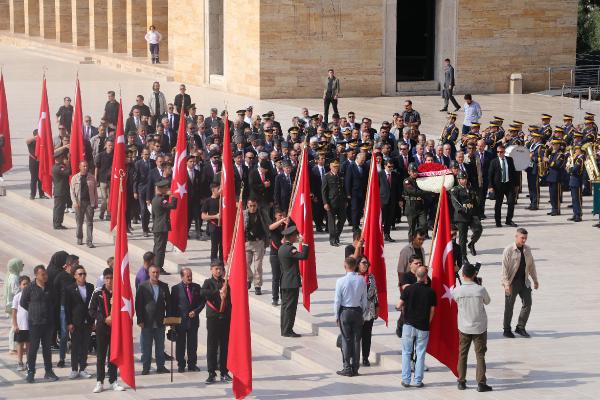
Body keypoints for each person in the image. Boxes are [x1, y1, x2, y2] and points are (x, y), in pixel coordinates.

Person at [452, 263, 493, 392]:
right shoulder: (480, 289)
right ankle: (481, 383)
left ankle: (461, 381)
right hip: (479, 327)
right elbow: (487, 301)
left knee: (462, 354)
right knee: (480, 355)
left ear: (463, 275)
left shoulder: (457, 290)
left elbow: (455, 301)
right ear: (474, 274)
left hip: (464, 327)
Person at [396, 266, 436, 388]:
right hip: (423, 326)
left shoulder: (408, 290)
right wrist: (428, 322)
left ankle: (406, 380)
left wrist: (400, 308)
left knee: (406, 353)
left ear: (416, 276)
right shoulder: (430, 292)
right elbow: (432, 310)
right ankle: (418, 381)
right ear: (425, 277)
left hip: (408, 325)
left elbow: (399, 305)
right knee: (420, 353)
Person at [20, 265, 59, 383]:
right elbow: (23, 303)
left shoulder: (50, 287)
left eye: (46, 274)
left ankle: (49, 371)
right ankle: (31, 371)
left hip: (48, 323)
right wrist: (34, 311)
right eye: (43, 274)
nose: (45, 276)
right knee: (33, 349)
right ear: (36, 275)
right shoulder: (30, 288)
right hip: (35, 323)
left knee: (47, 348)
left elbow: (55, 301)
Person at [89, 268, 126, 393]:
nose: (109, 280)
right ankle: (100, 381)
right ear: (104, 279)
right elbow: (91, 310)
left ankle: (113, 380)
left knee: (113, 355)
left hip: (115, 328)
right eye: (107, 278)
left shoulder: (119, 292)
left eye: (111, 277)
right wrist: (104, 319)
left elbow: (125, 309)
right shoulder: (98, 292)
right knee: (101, 355)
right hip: (102, 327)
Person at [502, 228, 539, 338]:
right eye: (522, 238)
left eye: (525, 238)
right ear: (516, 236)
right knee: (509, 306)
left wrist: (535, 280)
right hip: (512, 282)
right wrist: (506, 284)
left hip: (524, 281)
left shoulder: (527, 249)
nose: (524, 240)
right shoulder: (508, 250)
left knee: (528, 303)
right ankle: (507, 329)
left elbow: (531, 265)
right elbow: (504, 269)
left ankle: (520, 327)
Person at [334, 257, 367, 377]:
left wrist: (336, 315)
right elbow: (364, 299)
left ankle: (347, 367)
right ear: (356, 266)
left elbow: (337, 300)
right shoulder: (361, 280)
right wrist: (363, 313)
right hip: (357, 311)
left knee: (346, 339)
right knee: (357, 340)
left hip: (345, 311)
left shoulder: (340, 281)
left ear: (345, 266)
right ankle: (355, 368)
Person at [135, 265, 171, 375]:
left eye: (157, 272)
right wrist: (139, 319)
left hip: (160, 321)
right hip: (146, 321)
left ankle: (160, 366)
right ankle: (146, 367)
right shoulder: (143, 286)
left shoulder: (164, 286)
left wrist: (168, 318)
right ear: (149, 273)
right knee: (146, 346)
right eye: (153, 272)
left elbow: (169, 303)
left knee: (160, 346)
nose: (155, 274)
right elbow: (138, 304)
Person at [201, 260, 232, 384]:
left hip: (225, 317)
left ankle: (224, 371)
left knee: (224, 346)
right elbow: (203, 293)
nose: (218, 271)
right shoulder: (208, 282)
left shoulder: (226, 283)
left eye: (220, 269)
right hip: (213, 317)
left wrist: (225, 294)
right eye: (216, 269)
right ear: (211, 270)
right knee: (212, 346)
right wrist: (218, 292)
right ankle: (211, 372)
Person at [63, 265, 94, 379]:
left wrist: (93, 320)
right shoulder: (69, 288)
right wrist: (69, 323)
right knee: (75, 346)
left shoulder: (90, 287)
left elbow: (92, 305)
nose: (82, 276)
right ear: (75, 276)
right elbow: (67, 307)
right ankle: (74, 369)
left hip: (88, 321)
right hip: (75, 321)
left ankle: (83, 368)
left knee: (85, 345)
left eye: (84, 274)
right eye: (80, 274)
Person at [170, 268, 204, 373]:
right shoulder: (175, 289)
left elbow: (202, 303)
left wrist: (196, 311)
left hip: (193, 321)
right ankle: (181, 364)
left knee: (192, 344)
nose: (190, 278)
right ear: (182, 276)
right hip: (180, 321)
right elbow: (172, 306)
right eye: (187, 276)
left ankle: (192, 364)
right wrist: (172, 323)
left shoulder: (197, 287)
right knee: (180, 344)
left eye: (190, 275)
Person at [278, 225, 309, 337]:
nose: (296, 237)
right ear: (290, 237)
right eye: (295, 236)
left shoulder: (281, 248)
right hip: (291, 282)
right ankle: (288, 330)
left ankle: (284, 329)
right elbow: (304, 256)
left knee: (285, 307)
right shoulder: (290, 249)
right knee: (290, 308)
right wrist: (304, 243)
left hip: (285, 281)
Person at [53, 254, 78, 367]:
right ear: (69, 265)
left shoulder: (77, 276)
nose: (77, 265)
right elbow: (55, 291)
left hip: (75, 308)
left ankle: (77, 357)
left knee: (76, 334)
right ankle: (62, 358)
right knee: (64, 334)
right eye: (75, 264)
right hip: (63, 308)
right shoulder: (60, 276)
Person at [450, 171, 482, 260]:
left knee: (478, 229)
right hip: (461, 216)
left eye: (465, 179)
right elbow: (455, 202)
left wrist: (478, 214)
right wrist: (461, 209)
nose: (464, 181)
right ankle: (463, 257)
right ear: (458, 180)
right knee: (462, 238)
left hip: (471, 215)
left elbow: (475, 203)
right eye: (462, 179)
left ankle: (471, 244)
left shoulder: (470, 189)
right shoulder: (455, 190)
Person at [244, 198, 270, 295]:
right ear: (247, 205)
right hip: (247, 243)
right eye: (250, 205)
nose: (252, 208)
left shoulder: (262, 214)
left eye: (254, 205)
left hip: (259, 243)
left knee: (258, 266)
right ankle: (249, 278)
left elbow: (268, 224)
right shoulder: (243, 214)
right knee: (245, 264)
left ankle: (257, 285)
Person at [488, 144, 518, 227]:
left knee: (511, 202)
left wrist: (516, 184)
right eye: (497, 152)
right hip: (498, 186)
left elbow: (514, 173)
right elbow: (490, 175)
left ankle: (509, 220)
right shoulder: (494, 161)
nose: (499, 153)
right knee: (498, 204)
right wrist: (490, 186)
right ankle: (498, 221)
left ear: (504, 152)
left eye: (501, 152)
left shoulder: (509, 160)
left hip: (509, 185)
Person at [356, 256, 378, 367]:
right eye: (363, 262)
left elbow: (375, 294)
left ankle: (365, 357)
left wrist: (377, 308)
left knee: (367, 335)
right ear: (358, 264)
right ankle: (355, 357)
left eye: (367, 263)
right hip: (357, 310)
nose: (366, 265)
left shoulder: (371, 277)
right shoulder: (354, 277)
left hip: (369, 310)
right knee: (356, 336)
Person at [70, 161, 98, 247]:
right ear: (80, 167)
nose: (85, 168)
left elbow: (95, 191)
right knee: (79, 222)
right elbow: (72, 192)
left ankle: (89, 241)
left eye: (86, 166)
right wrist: (74, 202)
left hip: (89, 202)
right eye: (84, 166)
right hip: (79, 203)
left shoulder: (92, 177)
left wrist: (96, 202)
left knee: (89, 222)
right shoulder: (75, 178)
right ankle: (79, 237)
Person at [152, 179, 177, 274]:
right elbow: (173, 206)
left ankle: (155, 265)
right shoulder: (162, 200)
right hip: (162, 227)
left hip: (157, 226)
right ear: (161, 189)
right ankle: (158, 267)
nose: (167, 189)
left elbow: (154, 215)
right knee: (160, 249)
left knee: (157, 247)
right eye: (165, 188)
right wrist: (173, 196)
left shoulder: (155, 199)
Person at [322, 159, 346, 246]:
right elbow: (324, 191)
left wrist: (345, 200)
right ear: (330, 167)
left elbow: (343, 189)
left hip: (341, 201)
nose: (336, 168)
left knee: (343, 219)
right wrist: (325, 203)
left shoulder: (341, 175)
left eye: (337, 166)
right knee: (331, 222)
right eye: (334, 167)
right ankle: (332, 239)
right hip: (331, 202)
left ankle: (337, 235)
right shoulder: (326, 176)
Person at [402, 163, 428, 239]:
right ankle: (411, 246)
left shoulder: (420, 180)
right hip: (411, 206)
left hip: (420, 206)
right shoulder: (407, 181)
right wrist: (427, 192)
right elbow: (413, 192)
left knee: (423, 224)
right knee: (412, 228)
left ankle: (418, 242)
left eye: (416, 171)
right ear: (409, 172)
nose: (414, 173)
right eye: (413, 171)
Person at [11, 275, 31, 371]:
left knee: (29, 345)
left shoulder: (32, 296)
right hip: (20, 326)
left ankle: (29, 362)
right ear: (20, 285)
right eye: (24, 284)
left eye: (28, 284)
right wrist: (15, 325)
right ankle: (20, 362)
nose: (26, 286)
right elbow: (14, 312)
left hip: (30, 326)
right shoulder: (17, 297)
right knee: (20, 344)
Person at [268, 209, 287, 306]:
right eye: (280, 215)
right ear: (276, 216)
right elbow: (270, 227)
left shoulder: (287, 226)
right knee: (276, 277)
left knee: (284, 278)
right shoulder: (274, 225)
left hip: (284, 255)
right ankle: (275, 298)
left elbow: (293, 236)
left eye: (284, 215)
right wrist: (280, 221)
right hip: (274, 255)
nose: (282, 217)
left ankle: (284, 298)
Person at [5, 258, 24, 354]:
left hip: (13, 304)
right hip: (13, 305)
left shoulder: (14, 275)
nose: (22, 266)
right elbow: (15, 290)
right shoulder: (14, 277)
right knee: (14, 326)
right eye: (21, 264)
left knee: (15, 325)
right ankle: (12, 348)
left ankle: (16, 346)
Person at [201, 182, 222, 261]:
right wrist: (215, 216)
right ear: (213, 190)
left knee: (222, 247)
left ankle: (222, 265)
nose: (220, 190)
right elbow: (203, 216)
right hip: (214, 226)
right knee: (214, 247)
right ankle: (213, 264)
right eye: (218, 188)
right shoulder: (208, 201)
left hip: (223, 227)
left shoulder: (222, 200)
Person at [95, 139, 114, 221]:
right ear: (106, 145)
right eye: (109, 145)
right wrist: (95, 177)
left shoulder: (114, 155)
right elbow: (97, 167)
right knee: (104, 199)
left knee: (110, 198)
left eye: (111, 145)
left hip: (111, 179)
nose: (110, 147)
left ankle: (109, 214)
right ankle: (102, 212)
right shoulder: (101, 155)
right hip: (102, 179)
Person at [52, 154, 71, 229]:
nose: (63, 159)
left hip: (60, 191)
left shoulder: (55, 166)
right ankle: (57, 224)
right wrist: (68, 164)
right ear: (58, 158)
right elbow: (68, 172)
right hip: (60, 191)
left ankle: (57, 223)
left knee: (59, 208)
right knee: (59, 208)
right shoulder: (59, 167)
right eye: (62, 158)